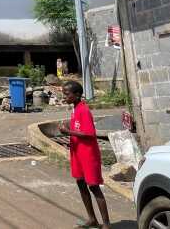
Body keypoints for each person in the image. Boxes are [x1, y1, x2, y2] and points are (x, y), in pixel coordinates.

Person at [59, 80, 111, 229]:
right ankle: (92, 219)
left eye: (67, 94)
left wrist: (68, 131)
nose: (64, 97)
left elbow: (90, 134)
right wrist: (68, 127)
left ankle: (106, 224)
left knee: (94, 186)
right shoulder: (75, 109)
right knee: (80, 183)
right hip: (77, 153)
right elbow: (79, 127)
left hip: (88, 154)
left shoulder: (84, 110)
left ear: (77, 95)